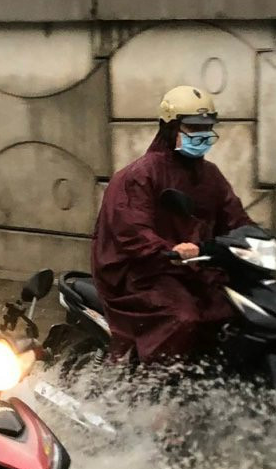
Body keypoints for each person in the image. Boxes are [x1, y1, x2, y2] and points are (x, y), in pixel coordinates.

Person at [91, 85, 255, 364]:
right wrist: (171, 250)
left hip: (193, 269)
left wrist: (259, 239)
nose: (202, 134)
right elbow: (132, 232)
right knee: (183, 318)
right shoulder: (140, 175)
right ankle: (157, 383)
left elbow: (234, 218)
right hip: (142, 274)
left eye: (207, 127)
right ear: (170, 127)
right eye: (193, 127)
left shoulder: (209, 175)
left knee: (235, 310)